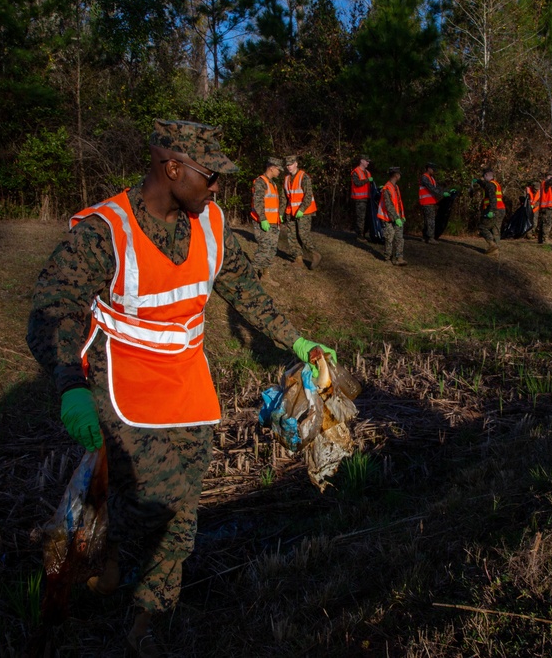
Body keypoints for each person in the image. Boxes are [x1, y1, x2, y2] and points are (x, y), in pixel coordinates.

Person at [26, 120, 337, 656]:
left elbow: (245, 291)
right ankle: (112, 558)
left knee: (183, 509)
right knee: (152, 502)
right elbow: (52, 311)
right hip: (121, 383)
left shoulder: (212, 223)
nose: (218, 187)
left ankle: (148, 621)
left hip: (187, 382)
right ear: (172, 168)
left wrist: (298, 340)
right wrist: (68, 384)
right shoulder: (105, 230)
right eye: (210, 175)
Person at [250, 157, 287, 285]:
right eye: (278, 169)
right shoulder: (260, 182)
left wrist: (279, 216)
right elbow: (258, 202)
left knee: (271, 250)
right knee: (264, 250)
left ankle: (265, 275)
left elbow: (273, 203)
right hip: (263, 222)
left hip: (273, 222)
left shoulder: (273, 183)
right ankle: (250, 278)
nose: (279, 172)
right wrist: (263, 219)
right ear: (271, 168)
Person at [283, 155, 321, 269]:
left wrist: (302, 209)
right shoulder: (286, 179)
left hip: (304, 212)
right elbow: (284, 197)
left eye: (291, 164)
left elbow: (308, 196)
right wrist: (281, 212)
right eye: (287, 165)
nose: (289, 167)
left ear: (296, 164)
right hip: (291, 212)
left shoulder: (304, 177)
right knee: (292, 236)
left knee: (303, 235)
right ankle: (298, 259)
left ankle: (315, 255)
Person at [471, 168, 506, 255]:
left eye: (483, 177)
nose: (483, 178)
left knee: (482, 227)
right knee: (496, 229)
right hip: (501, 209)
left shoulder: (490, 185)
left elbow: (492, 198)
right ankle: (496, 251)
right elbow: (485, 185)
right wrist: (479, 181)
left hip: (494, 209)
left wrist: (491, 211)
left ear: (486, 175)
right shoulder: (495, 184)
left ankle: (492, 245)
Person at [378, 166, 407, 266]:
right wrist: (396, 218)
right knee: (389, 238)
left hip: (397, 217)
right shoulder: (387, 188)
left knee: (399, 238)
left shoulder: (396, 187)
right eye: (399, 174)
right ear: (395, 175)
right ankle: (387, 258)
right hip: (388, 218)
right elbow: (388, 205)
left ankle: (399, 258)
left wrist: (402, 216)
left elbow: (398, 203)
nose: (400, 176)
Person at [417, 162, 451, 244]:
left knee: (427, 220)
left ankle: (425, 236)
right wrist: (442, 194)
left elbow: (437, 187)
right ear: (428, 168)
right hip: (426, 202)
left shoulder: (430, 178)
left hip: (429, 202)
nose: (434, 171)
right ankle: (430, 238)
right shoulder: (425, 178)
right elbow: (432, 188)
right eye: (433, 169)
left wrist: (447, 191)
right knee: (430, 220)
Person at [351, 155, 374, 239]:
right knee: (360, 217)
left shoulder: (368, 173)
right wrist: (367, 180)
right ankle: (359, 235)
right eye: (366, 161)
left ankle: (363, 234)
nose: (368, 163)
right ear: (361, 161)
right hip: (359, 199)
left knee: (367, 217)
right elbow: (357, 183)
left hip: (367, 198)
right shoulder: (355, 172)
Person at [537, 172, 552, 243]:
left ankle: (541, 239)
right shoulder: (545, 183)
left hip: (544, 207)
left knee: (543, 222)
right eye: (550, 176)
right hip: (546, 207)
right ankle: (544, 239)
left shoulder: (544, 184)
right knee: (547, 223)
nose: (551, 177)